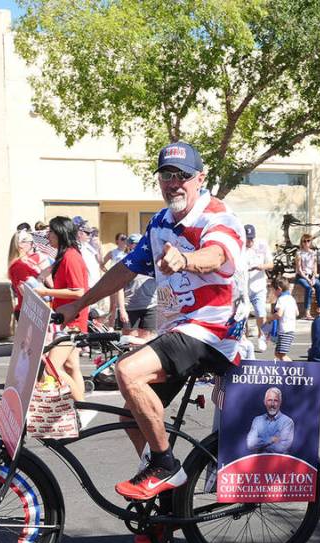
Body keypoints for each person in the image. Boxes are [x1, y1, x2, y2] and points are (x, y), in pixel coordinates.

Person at [56, 141, 244, 502]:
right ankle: (169, 500)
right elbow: (125, 270)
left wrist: (187, 261)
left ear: (199, 179)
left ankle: (164, 466)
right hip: (178, 331)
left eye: (182, 176)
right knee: (132, 415)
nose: (174, 183)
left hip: (212, 331)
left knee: (128, 372)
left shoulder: (216, 216)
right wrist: (78, 304)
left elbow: (217, 253)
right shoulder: (160, 222)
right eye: (166, 175)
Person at [39, 216, 90, 403]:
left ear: (60, 233)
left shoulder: (71, 257)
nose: (47, 235)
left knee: (52, 367)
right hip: (68, 318)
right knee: (71, 365)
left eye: (51, 231)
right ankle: (82, 405)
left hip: (72, 321)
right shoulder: (65, 256)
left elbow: (79, 292)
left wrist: (45, 290)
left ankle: (82, 406)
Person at [118, 234, 157, 341]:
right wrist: (122, 309)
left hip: (150, 305)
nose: (138, 246)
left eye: (140, 243)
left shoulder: (153, 260)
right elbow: (119, 287)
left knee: (147, 340)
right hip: (130, 306)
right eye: (134, 243)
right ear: (129, 245)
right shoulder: (125, 261)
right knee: (129, 340)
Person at [243, 224, 273, 352]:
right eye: (247, 239)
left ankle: (262, 337)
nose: (249, 241)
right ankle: (243, 339)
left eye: (251, 239)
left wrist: (261, 266)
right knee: (242, 315)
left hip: (258, 285)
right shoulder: (238, 247)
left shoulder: (262, 245)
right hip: (243, 287)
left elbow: (271, 264)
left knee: (261, 314)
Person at [7, 229, 49, 320]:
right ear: (20, 244)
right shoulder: (19, 265)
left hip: (33, 309)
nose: (33, 244)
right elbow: (25, 291)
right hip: (30, 310)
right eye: (30, 242)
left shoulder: (26, 261)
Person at [246, 387, 294, 454]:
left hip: (280, 463)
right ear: (265, 402)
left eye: (275, 401)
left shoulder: (287, 422)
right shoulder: (257, 420)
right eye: (269, 400)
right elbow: (250, 444)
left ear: (280, 403)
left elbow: (281, 448)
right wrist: (270, 440)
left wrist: (260, 444)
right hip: (260, 462)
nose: (272, 404)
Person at [293, 233, 320, 319]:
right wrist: (307, 279)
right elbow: (299, 269)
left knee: (318, 285)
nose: (306, 243)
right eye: (304, 241)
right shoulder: (299, 253)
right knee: (308, 287)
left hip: (310, 276)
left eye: (308, 241)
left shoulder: (313, 253)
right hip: (301, 276)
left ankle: (319, 308)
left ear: (310, 242)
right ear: (301, 242)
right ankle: (307, 312)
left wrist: (313, 277)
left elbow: (314, 267)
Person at [270, 276, 298, 361]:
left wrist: (269, 318)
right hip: (291, 329)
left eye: (273, 290)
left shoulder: (281, 299)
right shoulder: (291, 298)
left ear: (279, 289)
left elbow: (279, 314)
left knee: (281, 355)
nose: (273, 293)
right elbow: (297, 313)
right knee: (277, 353)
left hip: (284, 330)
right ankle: (287, 370)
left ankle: (293, 369)